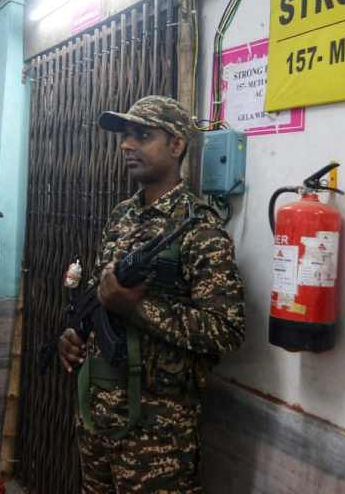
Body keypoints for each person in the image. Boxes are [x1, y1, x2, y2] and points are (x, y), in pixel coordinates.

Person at [58, 95, 246, 493]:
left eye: (142, 135)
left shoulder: (200, 229)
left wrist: (137, 308)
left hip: (157, 434)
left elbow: (225, 331)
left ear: (176, 145)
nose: (127, 145)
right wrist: (76, 334)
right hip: (97, 417)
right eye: (126, 136)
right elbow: (99, 296)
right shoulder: (121, 215)